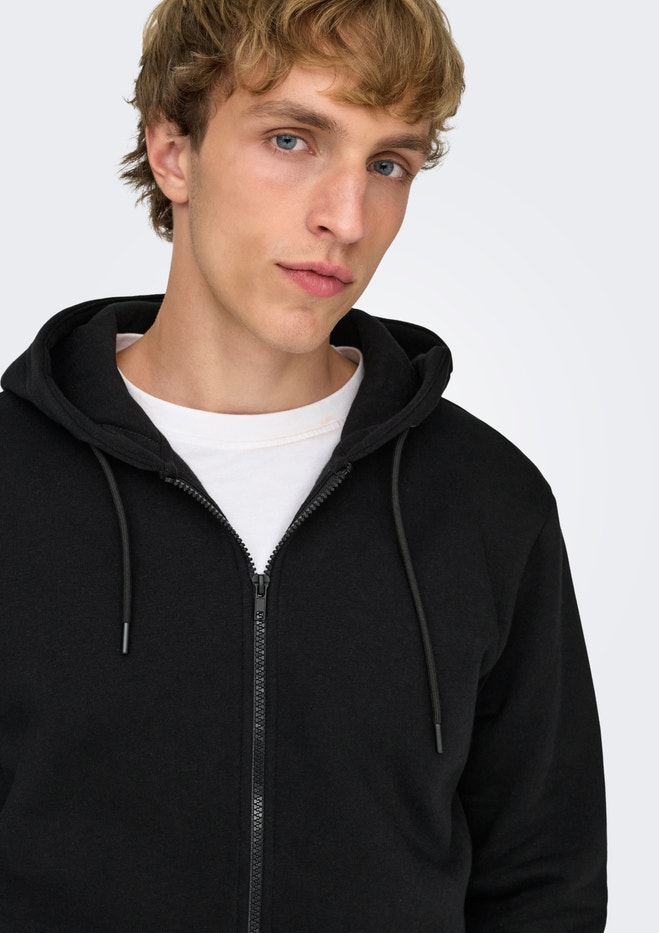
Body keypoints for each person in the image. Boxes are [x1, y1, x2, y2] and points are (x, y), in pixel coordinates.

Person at [0, 0, 606, 930]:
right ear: (172, 150)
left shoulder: (487, 501)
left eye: (388, 163)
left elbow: (544, 883)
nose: (347, 217)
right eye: (292, 140)